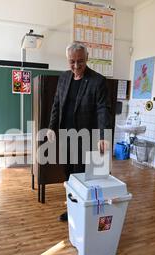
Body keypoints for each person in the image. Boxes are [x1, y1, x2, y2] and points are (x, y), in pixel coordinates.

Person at [47, 42, 111, 222]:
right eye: (72, 62)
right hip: (66, 138)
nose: (76, 66)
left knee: (83, 177)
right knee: (68, 175)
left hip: (86, 139)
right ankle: (72, 208)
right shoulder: (64, 78)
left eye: (80, 62)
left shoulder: (98, 81)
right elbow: (57, 104)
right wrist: (52, 127)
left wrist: (103, 136)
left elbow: (102, 110)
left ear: (87, 58)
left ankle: (85, 211)